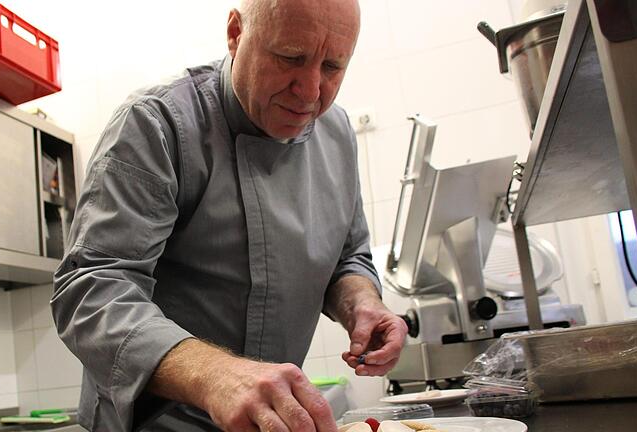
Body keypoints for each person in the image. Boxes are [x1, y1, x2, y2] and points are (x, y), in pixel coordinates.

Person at [51, 0, 408, 430]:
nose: (311, 90)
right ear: (236, 34)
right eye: (291, 57)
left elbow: (347, 257)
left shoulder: (337, 135)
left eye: (333, 66)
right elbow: (91, 289)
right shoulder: (158, 124)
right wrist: (217, 376)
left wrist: (362, 304)